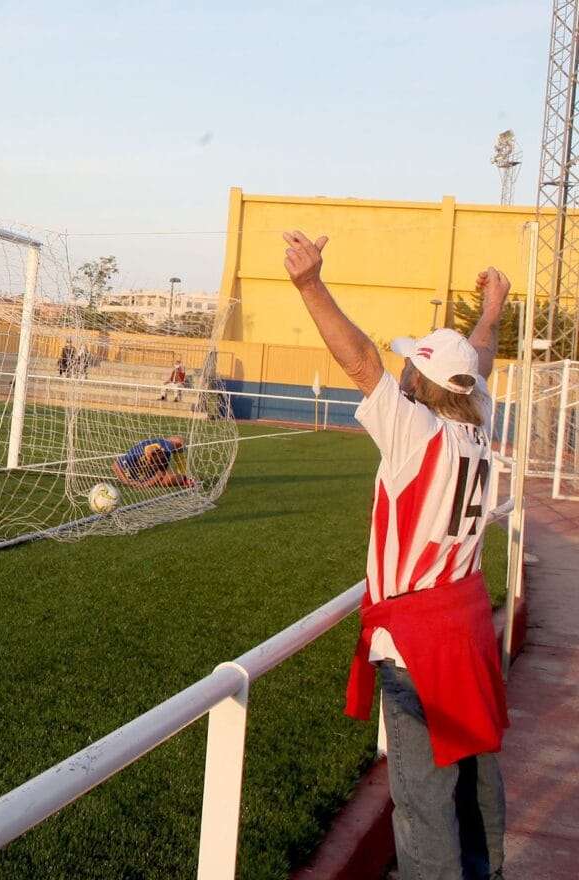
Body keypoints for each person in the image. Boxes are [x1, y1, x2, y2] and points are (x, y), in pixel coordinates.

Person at [283, 230, 509, 880]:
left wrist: (310, 285)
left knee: (422, 800)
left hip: (419, 643)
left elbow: (360, 363)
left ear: (422, 380)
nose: (401, 369)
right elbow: (481, 356)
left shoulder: (416, 431)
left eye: (411, 364)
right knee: (474, 775)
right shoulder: (477, 416)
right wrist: (493, 308)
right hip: (467, 632)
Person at [112, 436, 194, 489]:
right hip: (133, 472)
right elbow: (115, 465)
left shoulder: (166, 451)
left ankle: (183, 474)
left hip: (150, 473)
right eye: (155, 463)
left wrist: (146, 484)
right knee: (167, 481)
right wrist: (127, 482)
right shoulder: (136, 453)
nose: (156, 465)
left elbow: (161, 473)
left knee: (179, 441)